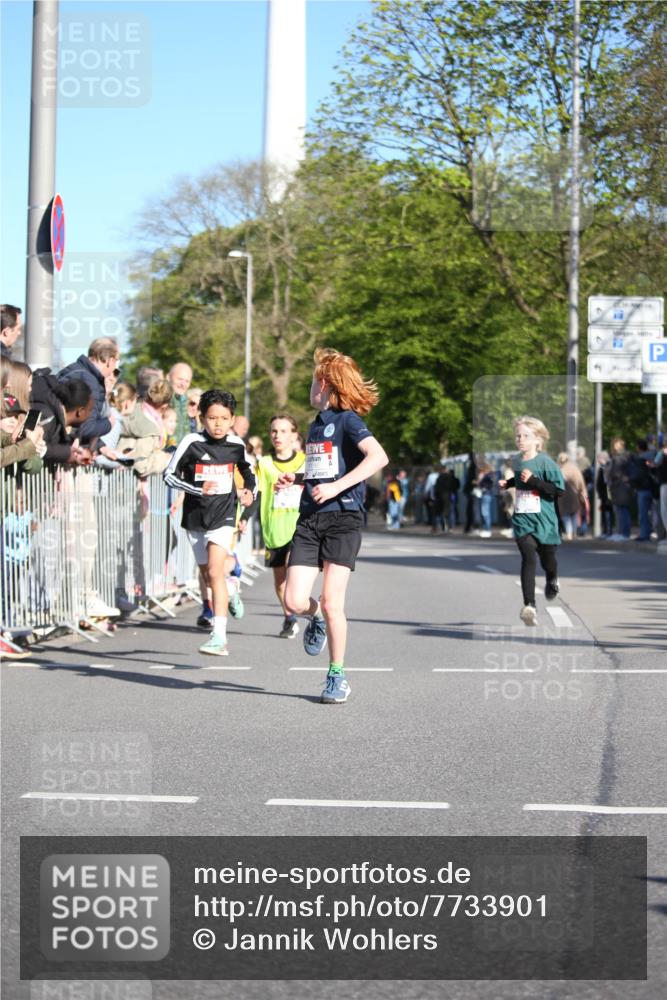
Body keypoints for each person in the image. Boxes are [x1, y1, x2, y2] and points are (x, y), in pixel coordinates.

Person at [277, 348, 388, 704]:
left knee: (331, 601)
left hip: (344, 519)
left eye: (313, 380)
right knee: (294, 601)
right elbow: (322, 471)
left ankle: (336, 676)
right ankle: (317, 621)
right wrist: (296, 478)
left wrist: (339, 487)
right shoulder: (315, 423)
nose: (310, 387)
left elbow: (379, 457)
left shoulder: (348, 421)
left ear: (324, 384)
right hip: (310, 518)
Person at [163, 389, 255, 656]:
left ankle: (219, 637)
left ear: (232, 419)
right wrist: (195, 489)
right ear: (202, 418)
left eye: (224, 418)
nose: (218, 424)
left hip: (223, 515)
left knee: (214, 572)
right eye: (212, 418)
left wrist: (249, 491)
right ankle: (232, 586)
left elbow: (250, 473)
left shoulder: (236, 445)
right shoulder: (191, 442)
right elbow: (169, 475)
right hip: (195, 517)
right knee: (208, 574)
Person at [499, 416, 565, 626]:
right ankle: (530, 606)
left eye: (526, 436)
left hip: (544, 521)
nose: (520, 439)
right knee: (528, 557)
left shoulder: (546, 462)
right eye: (518, 435)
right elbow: (519, 480)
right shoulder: (516, 460)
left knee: (548, 562)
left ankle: (552, 577)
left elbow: (558, 491)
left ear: (538, 439)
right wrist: (508, 482)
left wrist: (535, 481)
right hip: (523, 520)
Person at [249, 414, 305, 638]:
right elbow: (257, 493)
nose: (278, 435)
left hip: (300, 527)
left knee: (294, 572)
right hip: (274, 528)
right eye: (274, 431)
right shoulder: (264, 464)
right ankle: (290, 618)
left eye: (283, 431)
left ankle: (304, 605)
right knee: (280, 582)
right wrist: (243, 519)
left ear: (294, 435)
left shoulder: (305, 461)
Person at [57, 337, 120, 449]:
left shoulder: (73, 370)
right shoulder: (91, 382)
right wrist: (109, 424)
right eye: (117, 361)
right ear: (110, 361)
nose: (115, 367)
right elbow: (86, 428)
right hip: (62, 448)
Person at [557, 452, 588, 540]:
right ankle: (574, 532)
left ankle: (569, 533)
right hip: (574, 494)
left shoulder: (559, 469)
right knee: (574, 514)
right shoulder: (575, 469)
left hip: (563, 495)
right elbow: (581, 482)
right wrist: (582, 491)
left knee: (565, 515)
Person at [606, 438, 632, 540]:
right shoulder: (622, 457)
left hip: (620, 486)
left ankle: (624, 533)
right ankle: (621, 532)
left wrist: (610, 474)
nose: (615, 447)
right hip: (620, 486)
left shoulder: (620, 458)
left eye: (616, 445)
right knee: (620, 509)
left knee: (621, 509)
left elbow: (615, 472)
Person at [167, 363, 193, 443]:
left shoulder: (188, 402)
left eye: (187, 381)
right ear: (168, 377)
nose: (183, 384)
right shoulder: (162, 400)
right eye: (180, 379)